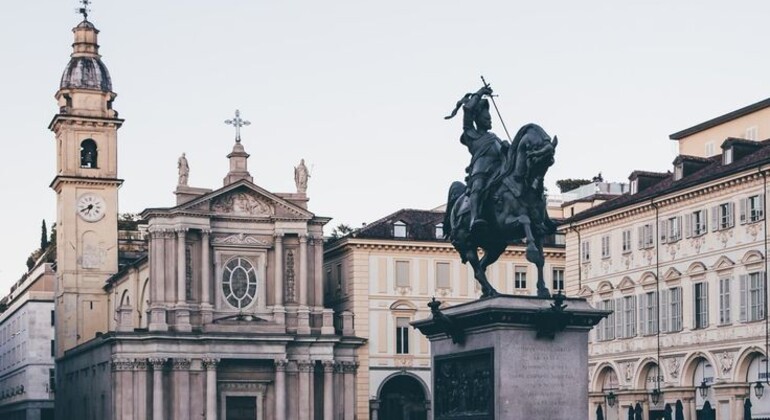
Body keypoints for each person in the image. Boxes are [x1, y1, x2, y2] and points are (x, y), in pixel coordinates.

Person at [455, 86, 508, 234]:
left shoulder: (495, 138)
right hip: (480, 172)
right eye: (486, 118)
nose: (489, 120)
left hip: (499, 172)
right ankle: (474, 219)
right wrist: (480, 93)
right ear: (478, 119)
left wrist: (506, 148)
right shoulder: (471, 134)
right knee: (478, 187)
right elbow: (467, 110)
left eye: (490, 118)